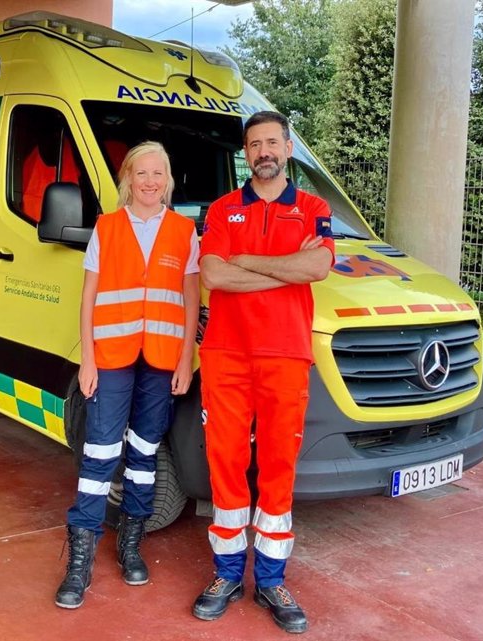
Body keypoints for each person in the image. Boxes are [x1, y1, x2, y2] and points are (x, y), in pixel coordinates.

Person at [192, 111, 335, 633]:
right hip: (227, 354)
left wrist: (244, 263)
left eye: (272, 142)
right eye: (254, 145)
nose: (263, 152)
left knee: (278, 467)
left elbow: (316, 268)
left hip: (286, 354)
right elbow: (212, 274)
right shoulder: (223, 208)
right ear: (245, 153)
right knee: (225, 464)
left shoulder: (313, 207)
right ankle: (227, 574)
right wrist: (280, 267)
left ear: (289, 147)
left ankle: (271, 579)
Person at [55, 140, 200, 609]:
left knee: (143, 453)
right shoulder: (107, 226)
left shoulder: (183, 230)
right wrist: (88, 359)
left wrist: (185, 359)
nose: (151, 182)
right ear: (128, 180)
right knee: (100, 452)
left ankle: (130, 544)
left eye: (159, 173)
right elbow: (89, 297)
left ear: (168, 180)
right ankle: (79, 563)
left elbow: (191, 299)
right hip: (113, 357)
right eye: (142, 173)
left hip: (160, 361)